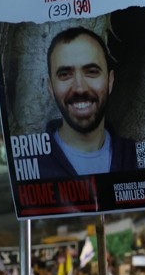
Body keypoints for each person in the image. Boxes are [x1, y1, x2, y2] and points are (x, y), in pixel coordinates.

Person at [37, 26, 138, 177]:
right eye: (65, 74)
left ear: (110, 81)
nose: (80, 88)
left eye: (91, 72)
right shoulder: (33, 164)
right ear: (51, 88)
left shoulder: (139, 154)